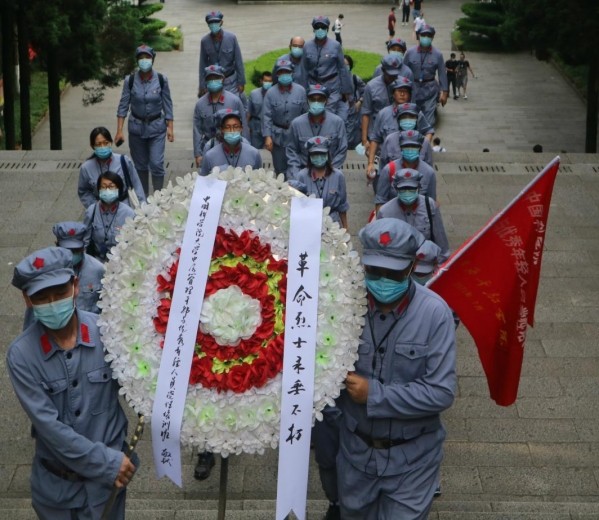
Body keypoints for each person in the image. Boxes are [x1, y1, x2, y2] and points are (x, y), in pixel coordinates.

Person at [337, 217, 456, 519]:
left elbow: (441, 392)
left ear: (412, 267)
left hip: (412, 462)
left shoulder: (435, 314)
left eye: (392, 272)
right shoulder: (343, 304)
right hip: (356, 458)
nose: (382, 279)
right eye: (373, 270)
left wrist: (374, 394)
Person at [7, 247, 136, 519]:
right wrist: (106, 463)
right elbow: (50, 428)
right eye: (41, 297)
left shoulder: (108, 332)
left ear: (75, 286)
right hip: (58, 494)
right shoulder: (21, 355)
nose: (53, 303)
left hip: (107, 490)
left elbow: (141, 385)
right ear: (27, 300)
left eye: (60, 292)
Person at [22, 222, 106, 330]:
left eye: (76, 250)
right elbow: (34, 311)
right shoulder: (47, 271)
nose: (71, 254)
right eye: (66, 250)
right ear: (56, 245)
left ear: (83, 247)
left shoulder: (98, 269)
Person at [115, 45, 174, 195]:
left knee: (156, 163)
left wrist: (170, 129)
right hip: (136, 127)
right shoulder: (130, 80)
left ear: (152, 59)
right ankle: (144, 199)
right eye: (141, 58)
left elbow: (168, 105)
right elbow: (123, 105)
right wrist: (119, 130)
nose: (144, 61)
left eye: (147, 57)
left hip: (156, 127)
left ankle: (159, 196)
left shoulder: (161, 79)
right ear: (137, 61)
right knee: (140, 165)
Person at [377, 168, 450, 263]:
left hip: (424, 264)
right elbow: (381, 248)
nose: (407, 192)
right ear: (396, 189)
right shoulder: (385, 212)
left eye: (411, 189)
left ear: (418, 188)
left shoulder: (429, 205)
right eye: (403, 189)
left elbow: (441, 242)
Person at [368, 79, 434, 181]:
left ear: (410, 95)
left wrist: (423, 148)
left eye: (406, 91)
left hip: (411, 163)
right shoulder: (383, 114)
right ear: (393, 94)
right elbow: (375, 139)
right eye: (399, 91)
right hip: (387, 160)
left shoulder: (417, 114)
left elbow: (429, 131)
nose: (402, 94)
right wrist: (371, 163)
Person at [286, 84, 347, 182]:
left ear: (326, 101)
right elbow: (291, 151)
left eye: (320, 99)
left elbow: (342, 150)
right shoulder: (296, 124)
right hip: (303, 171)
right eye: (313, 99)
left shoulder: (337, 123)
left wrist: (330, 172)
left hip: (329, 173)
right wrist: (296, 175)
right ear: (307, 101)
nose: (316, 102)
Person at [78, 127, 146, 209]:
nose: (102, 147)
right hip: (101, 210)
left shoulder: (124, 161)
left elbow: (136, 185)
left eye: (105, 143)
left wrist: (142, 208)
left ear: (111, 142)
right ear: (93, 146)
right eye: (98, 144)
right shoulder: (86, 168)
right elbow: (83, 191)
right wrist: (93, 206)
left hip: (124, 207)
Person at [289, 136, 349, 228]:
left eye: (321, 154)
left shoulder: (338, 176)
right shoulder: (302, 175)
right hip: (309, 223)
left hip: (333, 224)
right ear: (310, 156)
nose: (318, 157)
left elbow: (342, 206)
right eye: (315, 154)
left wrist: (346, 228)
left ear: (327, 155)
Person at [193, 65, 247, 167]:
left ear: (222, 79)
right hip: (208, 147)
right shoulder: (200, 104)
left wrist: (246, 147)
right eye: (210, 79)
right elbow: (197, 130)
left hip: (231, 147)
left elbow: (243, 125)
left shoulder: (234, 101)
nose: (213, 81)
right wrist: (197, 154)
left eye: (216, 78)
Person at [262, 59, 308, 177]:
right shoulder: (270, 93)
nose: (284, 75)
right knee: (280, 169)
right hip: (278, 135)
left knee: (298, 166)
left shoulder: (301, 91)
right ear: (277, 74)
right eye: (281, 73)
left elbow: (306, 113)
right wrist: (268, 137)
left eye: (287, 72)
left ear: (292, 73)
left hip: (296, 134)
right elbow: (266, 116)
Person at [303, 16, 352, 118]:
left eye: (323, 27)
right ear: (313, 29)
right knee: (313, 114)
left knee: (329, 114)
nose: (320, 29)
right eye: (317, 27)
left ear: (327, 29)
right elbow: (304, 69)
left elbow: (342, 68)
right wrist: (303, 88)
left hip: (332, 86)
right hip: (313, 85)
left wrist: (346, 90)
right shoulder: (307, 46)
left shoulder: (336, 45)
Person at [375, 130, 437, 210]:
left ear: (420, 148)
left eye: (414, 147)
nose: (410, 150)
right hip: (393, 217)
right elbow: (380, 200)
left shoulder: (429, 172)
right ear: (401, 148)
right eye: (406, 147)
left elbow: (431, 203)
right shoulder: (389, 169)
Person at [84, 172, 136, 262]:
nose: (107, 190)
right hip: (97, 261)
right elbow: (85, 240)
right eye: (103, 187)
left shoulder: (129, 214)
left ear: (118, 189)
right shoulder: (91, 211)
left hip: (121, 262)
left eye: (111, 187)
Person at [404, 24, 448, 127]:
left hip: (430, 89)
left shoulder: (438, 54)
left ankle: (426, 139)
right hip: (413, 88)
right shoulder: (410, 53)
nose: (426, 38)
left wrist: (444, 93)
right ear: (418, 36)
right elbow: (403, 71)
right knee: (412, 116)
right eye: (423, 35)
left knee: (429, 119)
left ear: (432, 37)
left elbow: (442, 74)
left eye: (429, 35)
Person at [198, 11, 245, 100]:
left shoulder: (231, 38)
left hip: (230, 80)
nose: (213, 25)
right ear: (207, 24)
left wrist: (241, 82)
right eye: (211, 23)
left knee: (233, 104)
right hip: (213, 81)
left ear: (221, 22)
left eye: (216, 22)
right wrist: (202, 85)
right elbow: (202, 64)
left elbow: (238, 61)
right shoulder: (204, 41)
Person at [361, 54, 403, 154]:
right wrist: (364, 140)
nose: (393, 78)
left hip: (397, 131)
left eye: (395, 75)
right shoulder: (371, 87)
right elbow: (366, 113)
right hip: (376, 133)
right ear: (383, 70)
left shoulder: (403, 85)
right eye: (390, 75)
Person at [200, 109, 262, 176]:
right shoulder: (210, 156)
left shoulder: (254, 154)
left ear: (241, 129)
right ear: (222, 130)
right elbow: (203, 181)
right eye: (227, 127)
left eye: (236, 127)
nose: (232, 131)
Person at [344, 55, 366, 150]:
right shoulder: (333, 79)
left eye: (347, 65)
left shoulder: (355, 78)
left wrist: (360, 101)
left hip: (353, 109)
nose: (345, 67)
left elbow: (366, 91)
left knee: (354, 131)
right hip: (340, 109)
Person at [247, 71, 272, 150]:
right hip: (256, 126)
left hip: (270, 126)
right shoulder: (253, 94)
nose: (267, 83)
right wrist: (246, 128)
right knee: (255, 150)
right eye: (265, 81)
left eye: (270, 81)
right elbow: (248, 113)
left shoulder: (275, 94)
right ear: (261, 81)